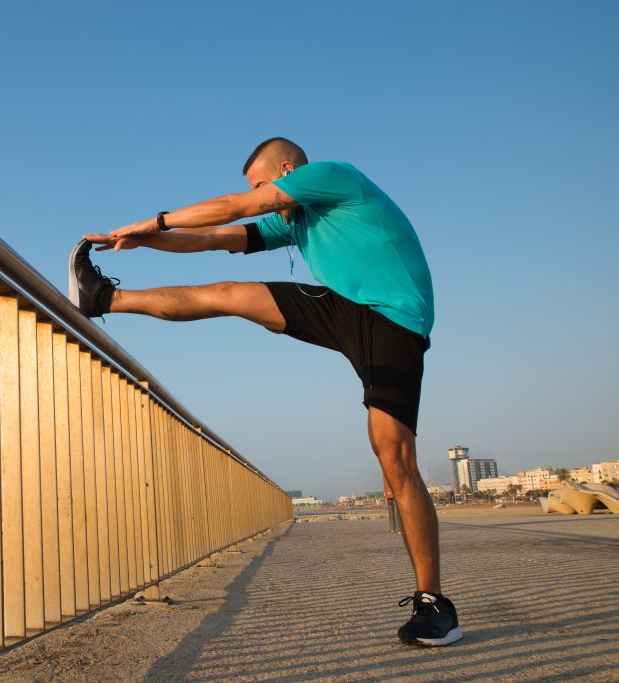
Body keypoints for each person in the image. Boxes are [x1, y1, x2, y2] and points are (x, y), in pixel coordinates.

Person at [70, 136, 462, 647]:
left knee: (394, 458)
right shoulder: (295, 219)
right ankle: (102, 298)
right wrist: (142, 240)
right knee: (232, 294)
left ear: (285, 170)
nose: (257, 192)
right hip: (342, 309)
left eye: (261, 183)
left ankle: (434, 604)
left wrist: (157, 220)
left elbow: (237, 206)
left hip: (394, 318)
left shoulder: (332, 175)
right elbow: (217, 238)